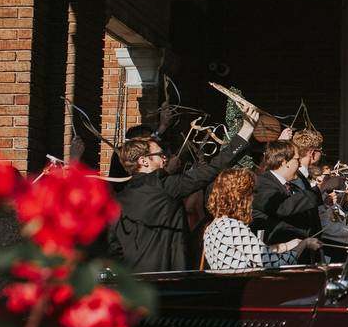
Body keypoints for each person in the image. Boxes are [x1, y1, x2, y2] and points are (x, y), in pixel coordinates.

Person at [109, 101, 259, 273]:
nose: (165, 158)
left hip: (133, 284)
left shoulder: (117, 201)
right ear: (143, 161)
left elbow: (114, 249)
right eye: (160, 155)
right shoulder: (164, 186)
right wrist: (246, 130)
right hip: (168, 280)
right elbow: (213, 169)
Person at [203, 169, 319, 271]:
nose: (253, 197)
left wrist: (290, 244)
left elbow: (257, 253)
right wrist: (303, 244)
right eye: (251, 192)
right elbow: (275, 263)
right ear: (240, 196)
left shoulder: (214, 226)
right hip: (242, 290)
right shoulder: (231, 227)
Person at [252, 140, 322, 246]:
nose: (299, 165)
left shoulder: (292, 186)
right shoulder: (261, 183)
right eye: (297, 160)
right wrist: (321, 188)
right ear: (285, 162)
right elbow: (283, 208)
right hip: (276, 255)